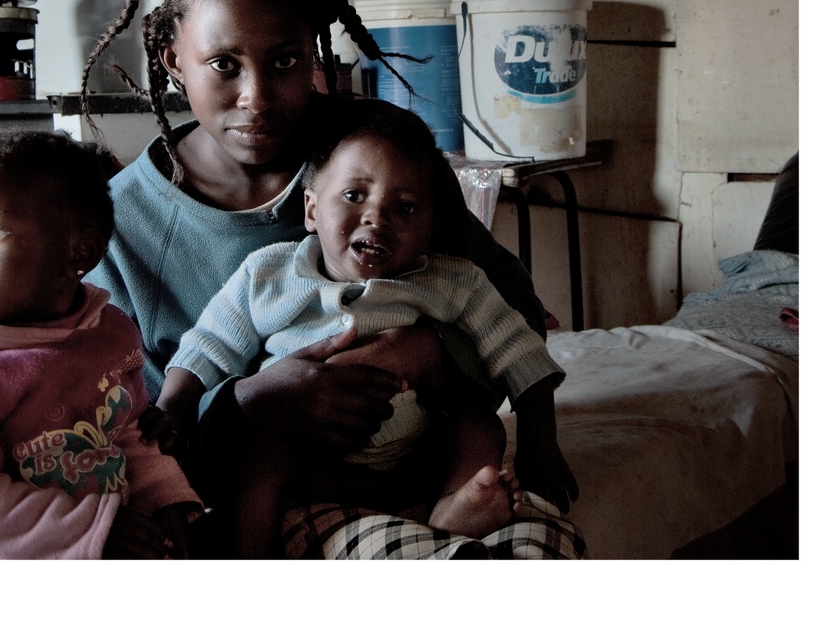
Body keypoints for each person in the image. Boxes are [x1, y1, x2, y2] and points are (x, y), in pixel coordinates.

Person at [82, 0, 579, 558]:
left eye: (284, 62)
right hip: (267, 484)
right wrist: (249, 404)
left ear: (314, 53)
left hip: (422, 460)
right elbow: (120, 430)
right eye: (224, 65)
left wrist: (430, 358)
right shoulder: (115, 228)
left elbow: (509, 314)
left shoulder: (377, 160)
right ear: (174, 59)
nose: (256, 95)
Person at [154, 99, 561, 557]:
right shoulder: (266, 274)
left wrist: (540, 445)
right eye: (354, 196)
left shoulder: (455, 282)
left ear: (432, 229)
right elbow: (209, 345)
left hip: (413, 465)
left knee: (480, 426)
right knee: (256, 460)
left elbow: (518, 350)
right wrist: (171, 408)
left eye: (405, 207)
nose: (376, 217)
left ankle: (451, 511)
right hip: (308, 466)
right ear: (310, 209)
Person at [0, 129, 202, 559]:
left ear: (79, 253)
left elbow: (126, 433)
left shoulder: (107, 335)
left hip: (88, 539)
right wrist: (95, 529)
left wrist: (165, 499)